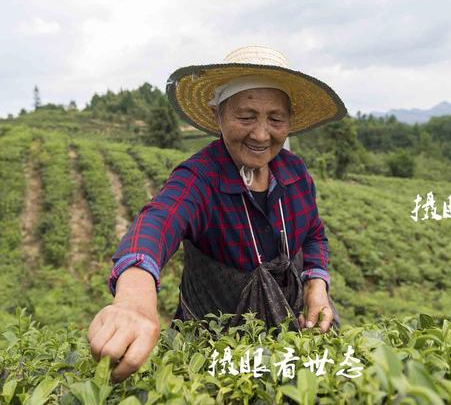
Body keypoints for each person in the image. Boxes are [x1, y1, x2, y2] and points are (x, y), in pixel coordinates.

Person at [87, 46, 347, 382]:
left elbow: (313, 233)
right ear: (218, 116)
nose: (261, 134)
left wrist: (317, 285)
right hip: (215, 354)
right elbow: (158, 220)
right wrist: (134, 297)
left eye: (275, 119)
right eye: (246, 116)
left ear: (289, 122)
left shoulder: (295, 172)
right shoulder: (200, 176)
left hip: (292, 337)